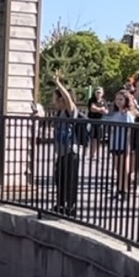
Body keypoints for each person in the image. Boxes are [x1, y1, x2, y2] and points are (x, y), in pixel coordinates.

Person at [50, 80, 84, 214]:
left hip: (71, 151)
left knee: (70, 180)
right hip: (61, 152)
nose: (54, 101)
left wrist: (59, 84)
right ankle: (60, 204)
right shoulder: (58, 113)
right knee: (59, 179)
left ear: (61, 99)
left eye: (56, 98)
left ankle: (71, 206)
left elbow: (68, 99)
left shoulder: (70, 111)